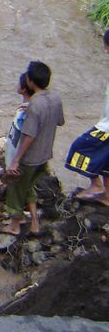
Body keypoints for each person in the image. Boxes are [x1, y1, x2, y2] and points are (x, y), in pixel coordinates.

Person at [5, 61, 65, 235]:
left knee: (15, 187)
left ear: (30, 82)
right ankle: (35, 223)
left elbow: (29, 136)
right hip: (45, 154)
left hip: (30, 158)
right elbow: (60, 121)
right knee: (29, 187)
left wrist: (16, 161)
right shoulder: (55, 98)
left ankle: (15, 226)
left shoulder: (34, 106)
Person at [65, 30, 109, 205]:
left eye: (106, 46)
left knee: (79, 147)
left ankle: (96, 185)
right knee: (106, 159)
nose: (105, 50)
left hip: (107, 126)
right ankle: (106, 196)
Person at [4, 73, 33, 168]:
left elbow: (26, 137)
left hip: (15, 151)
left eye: (19, 83)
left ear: (24, 89)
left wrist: (15, 161)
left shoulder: (25, 112)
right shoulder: (28, 107)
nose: (17, 85)